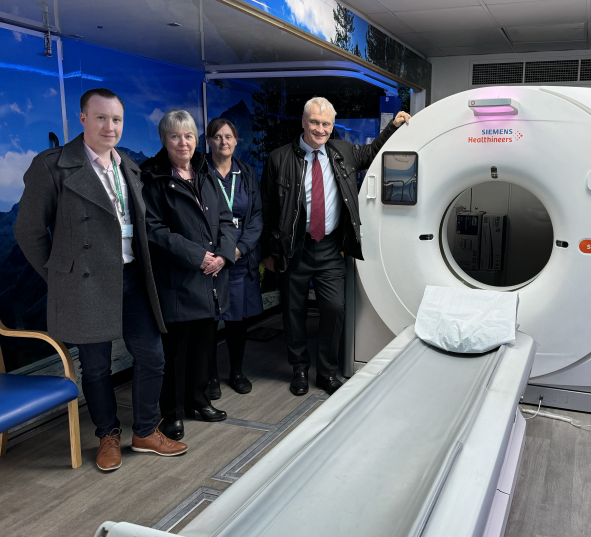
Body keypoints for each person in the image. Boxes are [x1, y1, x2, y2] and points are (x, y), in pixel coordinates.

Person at [14, 88, 188, 472]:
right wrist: (60, 276)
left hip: (132, 277)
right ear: (83, 119)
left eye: (117, 120)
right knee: (95, 367)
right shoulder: (52, 166)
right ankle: (107, 435)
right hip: (86, 284)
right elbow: (28, 231)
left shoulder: (127, 165)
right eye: (101, 118)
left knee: (153, 357)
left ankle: (144, 430)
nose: (110, 127)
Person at [261, 97, 411, 396]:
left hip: (331, 248)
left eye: (326, 123)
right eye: (314, 122)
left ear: (332, 126)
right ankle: (300, 369)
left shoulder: (342, 151)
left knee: (334, 309)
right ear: (303, 122)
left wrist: (393, 126)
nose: (320, 128)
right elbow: (266, 207)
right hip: (294, 248)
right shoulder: (279, 158)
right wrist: (267, 252)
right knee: (293, 312)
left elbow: (370, 153)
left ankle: (327, 372)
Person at [140, 110, 235, 441]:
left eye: (189, 136)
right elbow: (152, 229)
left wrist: (223, 254)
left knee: (204, 345)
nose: (183, 143)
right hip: (178, 279)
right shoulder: (152, 177)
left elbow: (225, 217)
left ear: (197, 140)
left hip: (211, 278)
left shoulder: (207, 173)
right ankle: (172, 413)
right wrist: (198, 256)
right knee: (174, 351)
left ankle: (198, 400)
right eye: (175, 136)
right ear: (164, 140)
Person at [204, 118, 264, 397]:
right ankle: (210, 377)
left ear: (236, 140)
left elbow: (256, 219)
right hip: (207, 259)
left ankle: (237, 371)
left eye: (228, 136)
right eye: (217, 137)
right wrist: (212, 255)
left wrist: (236, 251)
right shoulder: (199, 171)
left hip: (238, 259)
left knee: (237, 322)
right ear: (208, 141)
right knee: (207, 322)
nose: (223, 142)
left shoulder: (247, 173)